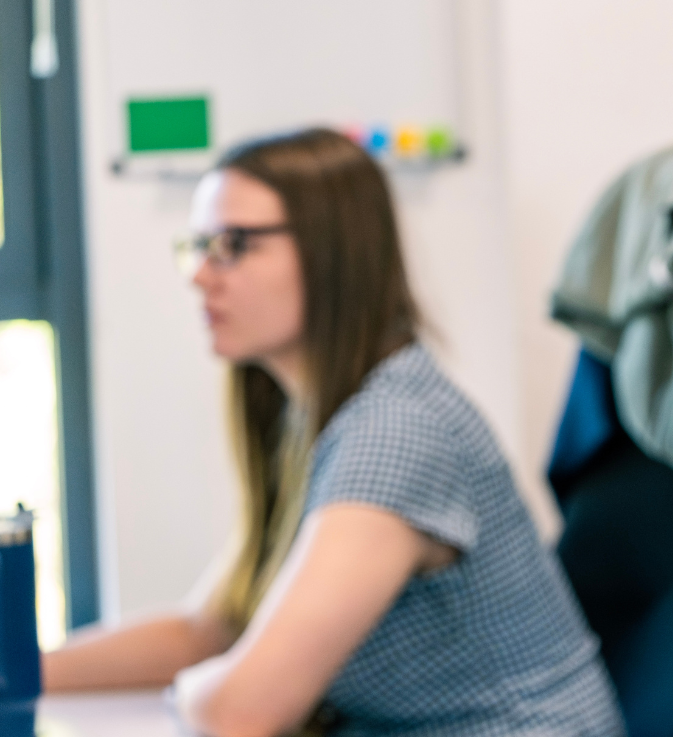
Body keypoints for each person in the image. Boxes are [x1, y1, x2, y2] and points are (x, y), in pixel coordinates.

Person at [43, 129, 625, 737]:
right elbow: (211, 629)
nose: (200, 276)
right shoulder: (320, 415)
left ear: (333, 253)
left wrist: (188, 692)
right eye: (198, 246)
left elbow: (243, 711)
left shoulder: (397, 431)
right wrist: (25, 670)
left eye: (232, 245)